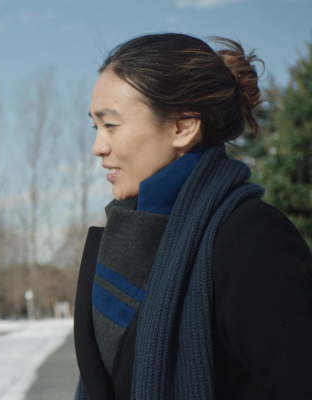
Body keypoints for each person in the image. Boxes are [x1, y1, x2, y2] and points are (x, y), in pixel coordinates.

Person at [73, 33, 312, 400]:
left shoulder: (252, 238)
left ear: (184, 127)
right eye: (96, 126)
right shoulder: (124, 237)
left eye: (112, 125)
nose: (98, 146)